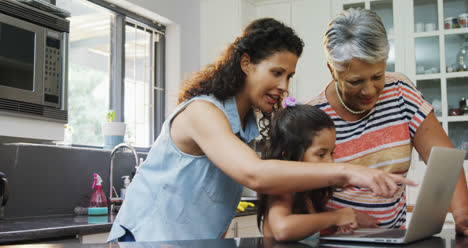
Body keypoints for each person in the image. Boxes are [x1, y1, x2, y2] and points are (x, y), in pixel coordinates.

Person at [107, 17, 415, 242]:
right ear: (246, 64)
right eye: (276, 72)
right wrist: (349, 172)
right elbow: (255, 173)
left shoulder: (246, 127)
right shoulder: (202, 112)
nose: (283, 86)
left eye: (289, 76)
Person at [307, 8, 468, 234]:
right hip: (336, 241)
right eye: (355, 81)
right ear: (333, 71)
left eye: (377, 76)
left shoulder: (400, 92)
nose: (369, 90)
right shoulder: (312, 117)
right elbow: (302, 199)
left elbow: (445, 163)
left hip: (394, 237)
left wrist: (462, 215)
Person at [257, 98, 360, 242]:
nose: (330, 162)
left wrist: (346, 219)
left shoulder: (308, 194)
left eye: (331, 153)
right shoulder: (281, 188)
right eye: (321, 154)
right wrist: (336, 217)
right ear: (288, 155)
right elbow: (282, 229)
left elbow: (308, 221)